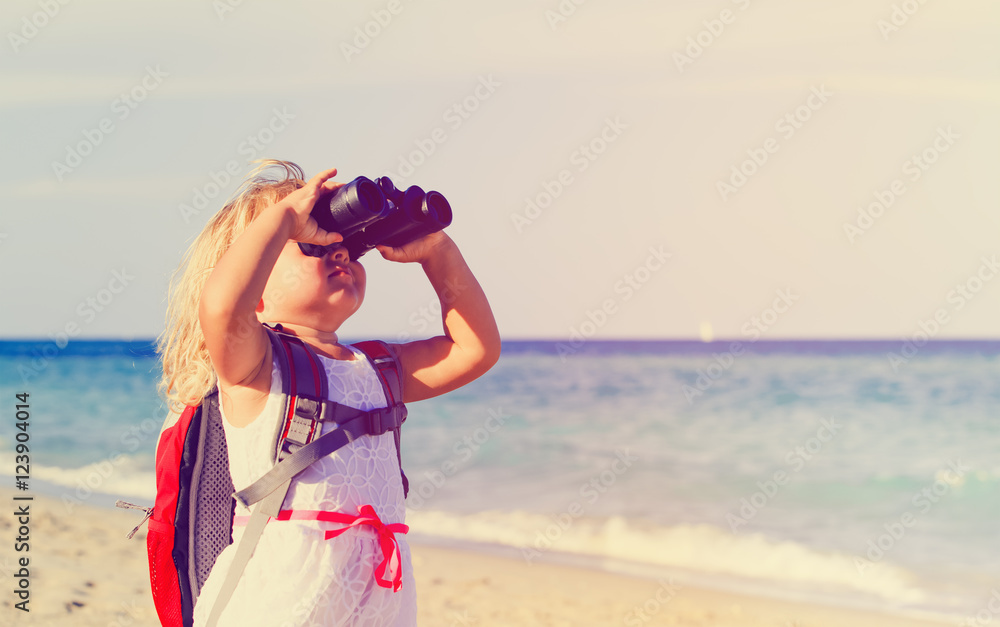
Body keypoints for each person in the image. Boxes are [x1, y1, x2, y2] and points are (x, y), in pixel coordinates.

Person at [156, 160, 501, 626]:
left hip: (380, 599)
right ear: (256, 289)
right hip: (281, 600)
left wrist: (437, 250)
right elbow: (222, 306)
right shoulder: (257, 366)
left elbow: (474, 349)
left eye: (348, 247)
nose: (339, 253)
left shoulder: (380, 369)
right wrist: (281, 220)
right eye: (310, 245)